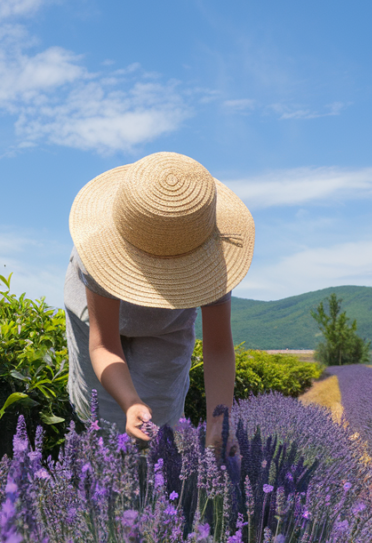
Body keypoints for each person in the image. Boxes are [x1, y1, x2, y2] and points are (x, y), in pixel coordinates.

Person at [64, 151, 255, 456]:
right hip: (100, 319)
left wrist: (220, 421)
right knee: (106, 414)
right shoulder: (97, 256)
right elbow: (104, 346)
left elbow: (218, 348)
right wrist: (130, 403)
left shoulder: (214, 264)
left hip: (168, 323)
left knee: (161, 414)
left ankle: (154, 481)